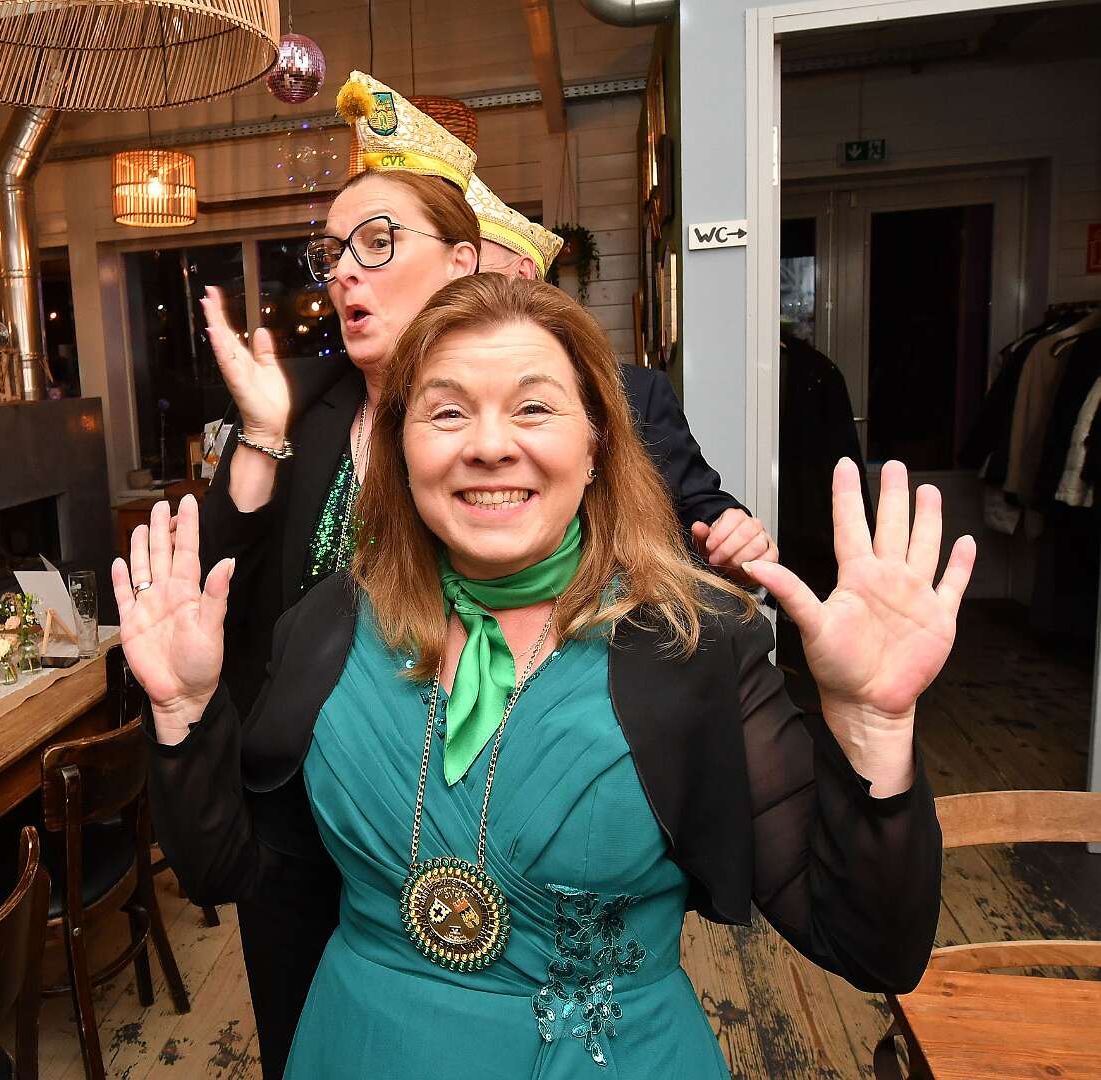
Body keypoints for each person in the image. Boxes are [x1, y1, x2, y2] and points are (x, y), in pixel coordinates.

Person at [123, 274, 974, 1078]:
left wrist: (872, 725)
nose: (491, 446)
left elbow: (870, 949)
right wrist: (184, 710)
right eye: (447, 412)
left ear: (597, 442)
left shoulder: (695, 642)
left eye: (533, 407)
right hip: (356, 1045)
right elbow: (224, 874)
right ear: (401, 446)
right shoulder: (329, 625)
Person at [194, 70, 774, 1077]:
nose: (345, 275)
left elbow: (677, 510)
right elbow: (216, 598)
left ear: (462, 262)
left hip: (519, 806)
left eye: (378, 244)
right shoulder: (302, 403)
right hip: (316, 800)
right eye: (332, 254)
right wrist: (260, 438)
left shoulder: (595, 392)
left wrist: (727, 535)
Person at [466, 172, 775, 573]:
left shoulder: (636, 393)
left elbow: (699, 505)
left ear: (522, 274)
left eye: (469, 269)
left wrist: (732, 538)